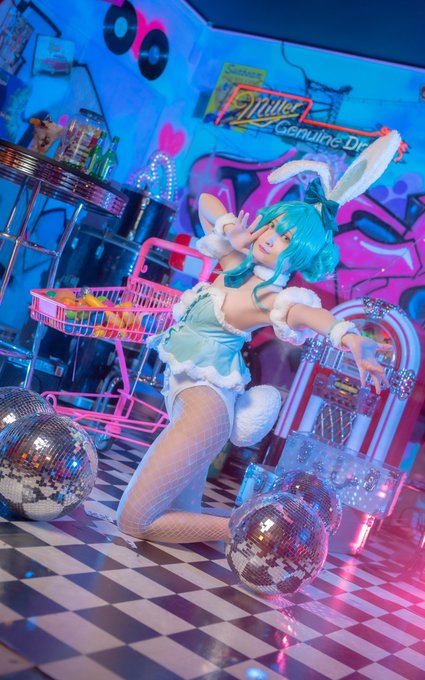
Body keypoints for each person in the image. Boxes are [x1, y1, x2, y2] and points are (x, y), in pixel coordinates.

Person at [117, 130, 401, 544]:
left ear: (298, 255)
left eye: (286, 239)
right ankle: (246, 536)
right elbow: (207, 203)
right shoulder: (235, 262)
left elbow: (310, 316)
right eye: (274, 226)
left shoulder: (268, 296)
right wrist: (232, 228)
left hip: (205, 412)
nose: (270, 237)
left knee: (134, 521)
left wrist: (351, 338)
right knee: (181, 516)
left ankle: (260, 525)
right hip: (184, 400)